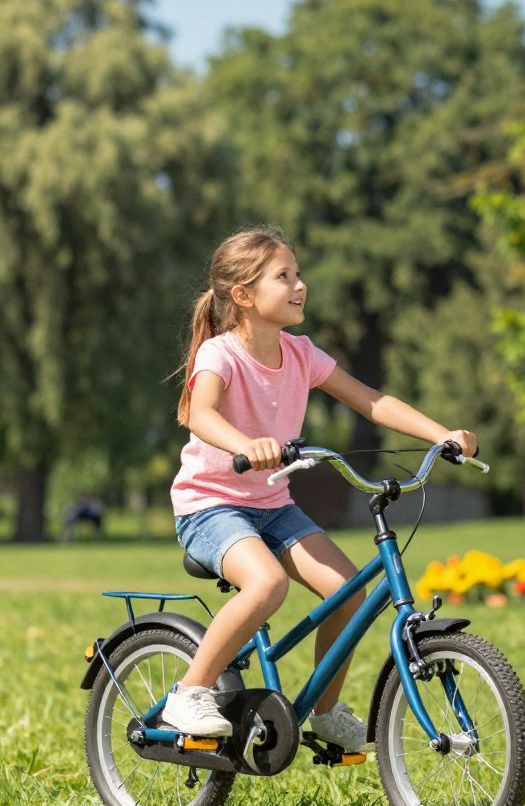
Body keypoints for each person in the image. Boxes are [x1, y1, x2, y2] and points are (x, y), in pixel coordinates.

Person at [163, 226, 477, 750]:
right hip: (210, 506)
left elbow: (372, 401)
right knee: (266, 585)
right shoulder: (222, 354)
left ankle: (326, 711)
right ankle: (189, 692)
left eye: (298, 273)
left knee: (350, 594)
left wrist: (440, 433)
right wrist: (249, 444)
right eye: (284, 276)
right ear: (243, 295)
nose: (300, 285)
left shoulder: (301, 353)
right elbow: (199, 413)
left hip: (272, 505)